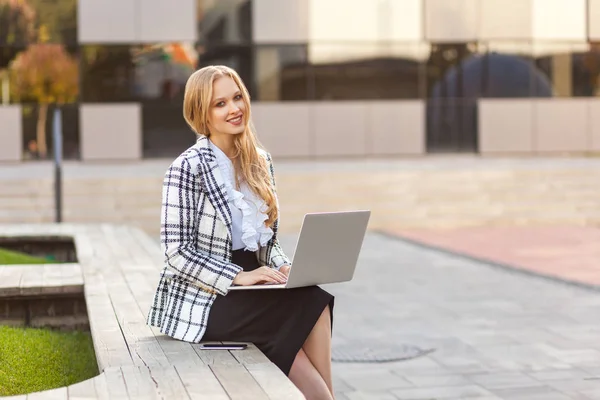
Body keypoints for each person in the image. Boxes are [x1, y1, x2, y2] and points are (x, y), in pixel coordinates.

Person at [147, 65, 335, 399]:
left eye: (236, 98)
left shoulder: (260, 161)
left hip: (256, 286)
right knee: (295, 314)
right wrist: (238, 276)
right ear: (201, 115)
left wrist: (282, 266)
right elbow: (176, 253)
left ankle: (326, 395)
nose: (234, 109)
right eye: (220, 104)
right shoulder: (187, 168)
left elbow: (268, 243)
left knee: (315, 298)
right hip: (208, 296)